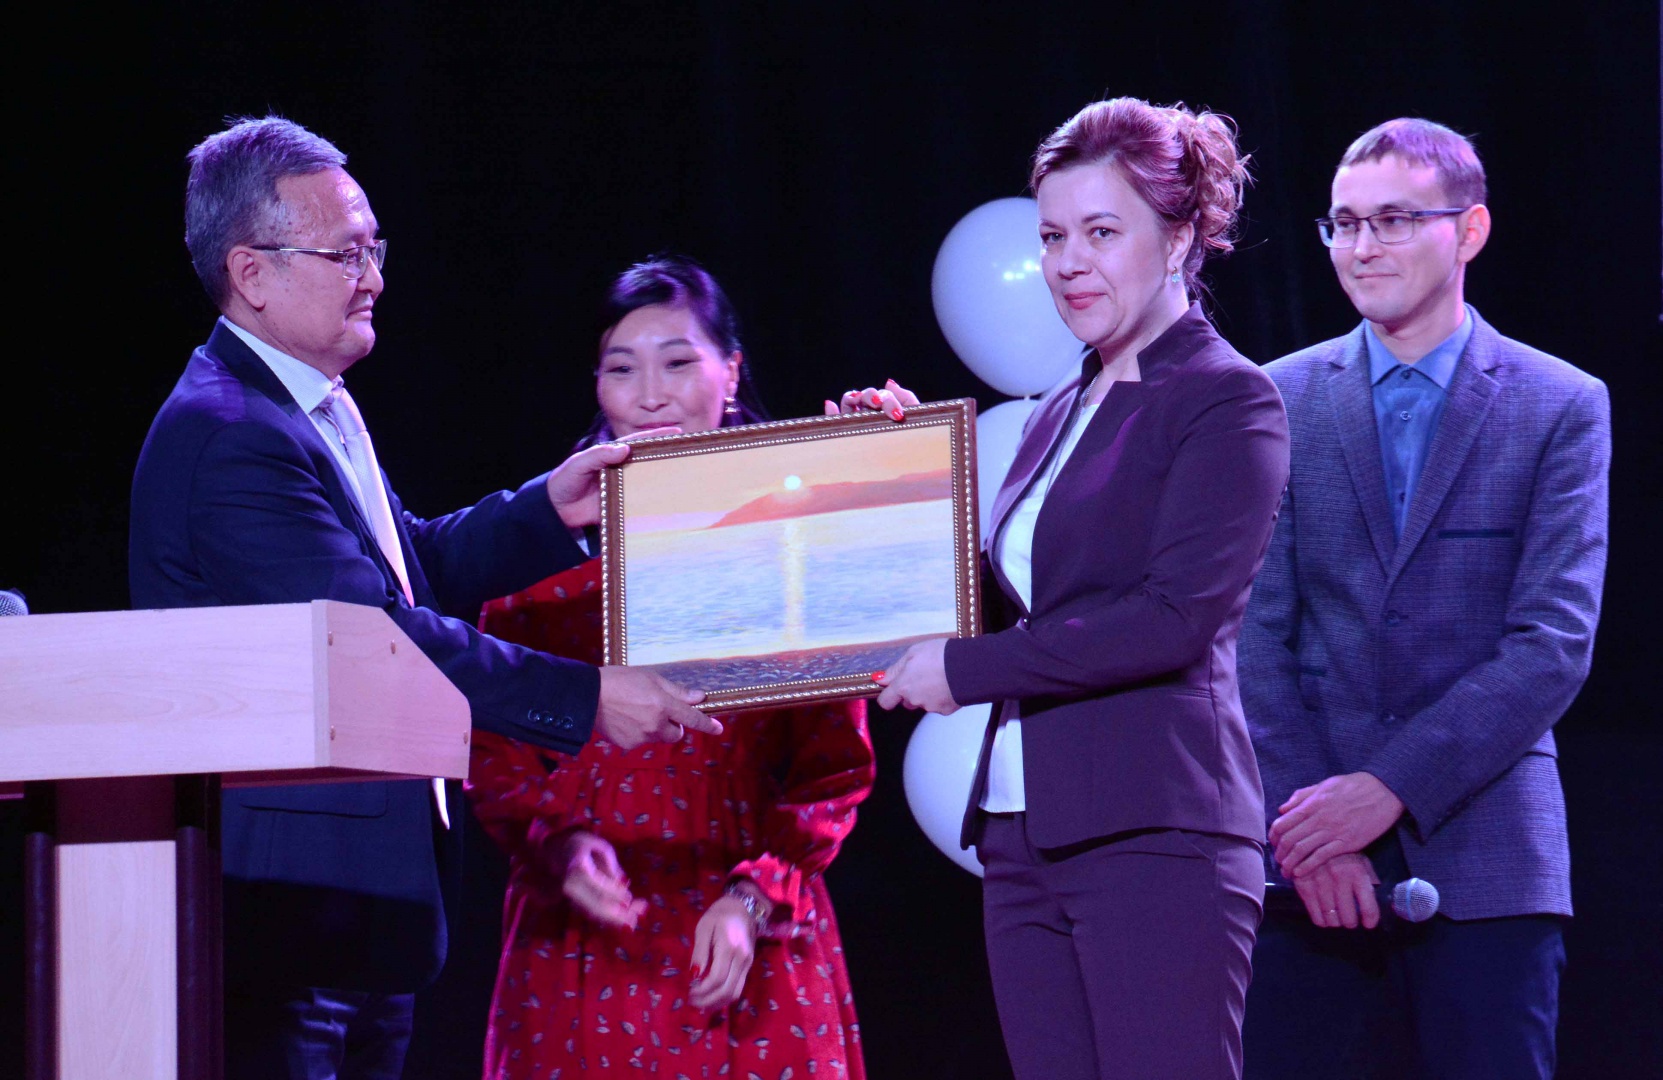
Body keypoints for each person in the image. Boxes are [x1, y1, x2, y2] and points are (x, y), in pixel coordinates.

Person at [129, 117, 719, 1080]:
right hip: (287, 921)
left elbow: (409, 567)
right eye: (345, 254)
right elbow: (377, 638)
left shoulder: (304, 406)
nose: (373, 277)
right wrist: (585, 699)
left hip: (355, 914)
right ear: (252, 273)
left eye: (375, 248)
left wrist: (551, 507)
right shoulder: (231, 434)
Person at [874, 98, 1289, 1079]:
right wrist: (892, 481)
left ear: (1178, 237)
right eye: (1052, 236)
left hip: (1156, 831)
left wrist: (965, 671)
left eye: (1101, 232)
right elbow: (1024, 601)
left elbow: (1169, 620)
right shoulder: (1062, 401)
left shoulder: (1226, 397)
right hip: (1020, 834)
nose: (1067, 262)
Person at [1239, 119, 1610, 1080]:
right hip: (1306, 866)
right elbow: (1252, 636)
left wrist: (1388, 788)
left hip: (1489, 855)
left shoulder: (1560, 403)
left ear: (1469, 230)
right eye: (1344, 223)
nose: (1361, 247)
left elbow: (1551, 645)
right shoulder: (1276, 398)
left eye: (1394, 220)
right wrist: (1313, 836)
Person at [465, 255, 876, 1079]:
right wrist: (557, 844)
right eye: (621, 369)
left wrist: (755, 897)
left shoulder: (795, 551)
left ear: (731, 371)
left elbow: (833, 770)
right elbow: (493, 748)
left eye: (678, 362)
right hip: (583, 940)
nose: (650, 396)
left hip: (747, 934)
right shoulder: (541, 554)